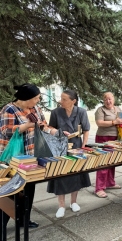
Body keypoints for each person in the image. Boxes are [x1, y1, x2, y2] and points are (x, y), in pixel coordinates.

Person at [0, 83, 56, 228]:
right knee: (10, 191)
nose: (38, 101)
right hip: (13, 158)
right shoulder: (9, 109)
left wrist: (54, 131)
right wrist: (27, 126)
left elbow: (43, 125)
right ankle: (2, 226)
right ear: (27, 98)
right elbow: (6, 131)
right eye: (36, 98)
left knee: (29, 189)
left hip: (31, 157)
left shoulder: (35, 108)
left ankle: (24, 220)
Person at [47, 90, 91, 218]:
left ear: (73, 101)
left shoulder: (81, 112)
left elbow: (86, 129)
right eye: (61, 98)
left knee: (75, 174)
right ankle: (61, 206)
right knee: (60, 174)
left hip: (76, 146)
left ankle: (73, 202)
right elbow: (50, 128)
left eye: (64, 99)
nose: (61, 101)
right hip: (60, 146)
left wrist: (84, 145)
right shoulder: (55, 112)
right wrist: (59, 132)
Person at [94, 92, 122, 198]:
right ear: (103, 100)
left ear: (114, 99)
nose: (108, 101)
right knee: (103, 163)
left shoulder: (118, 109)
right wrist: (114, 122)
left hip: (116, 139)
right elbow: (99, 123)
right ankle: (99, 188)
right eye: (106, 99)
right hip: (103, 138)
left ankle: (110, 183)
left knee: (112, 162)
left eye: (110, 99)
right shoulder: (100, 110)